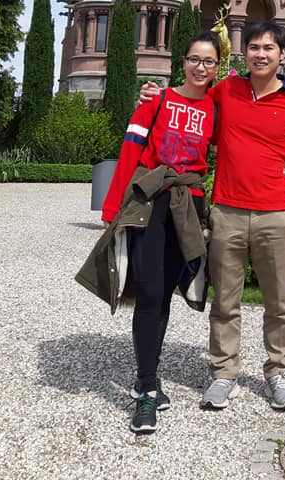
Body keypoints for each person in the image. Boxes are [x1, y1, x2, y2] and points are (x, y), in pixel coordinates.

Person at [140, 19, 285, 411]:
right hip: (228, 212)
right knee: (225, 302)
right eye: (253, 47)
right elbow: (191, 95)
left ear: (281, 55)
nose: (260, 54)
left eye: (268, 48)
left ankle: (278, 371)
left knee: (279, 301)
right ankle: (224, 373)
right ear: (245, 53)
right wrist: (155, 96)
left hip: (274, 213)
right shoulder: (227, 90)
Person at [97, 32, 220, 434]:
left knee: (165, 292)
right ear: (182, 62)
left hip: (189, 205)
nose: (201, 67)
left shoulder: (217, 108)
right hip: (152, 201)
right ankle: (146, 389)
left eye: (209, 62)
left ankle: (148, 373)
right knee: (149, 292)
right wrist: (113, 208)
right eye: (195, 59)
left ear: (218, 68)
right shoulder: (158, 100)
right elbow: (131, 150)